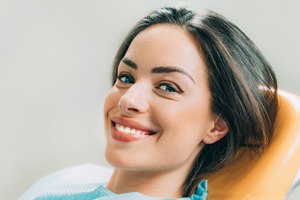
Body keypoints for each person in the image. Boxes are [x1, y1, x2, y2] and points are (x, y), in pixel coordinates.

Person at [19, 5, 278, 200]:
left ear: (217, 125)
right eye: (126, 77)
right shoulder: (70, 180)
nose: (129, 99)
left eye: (167, 87)